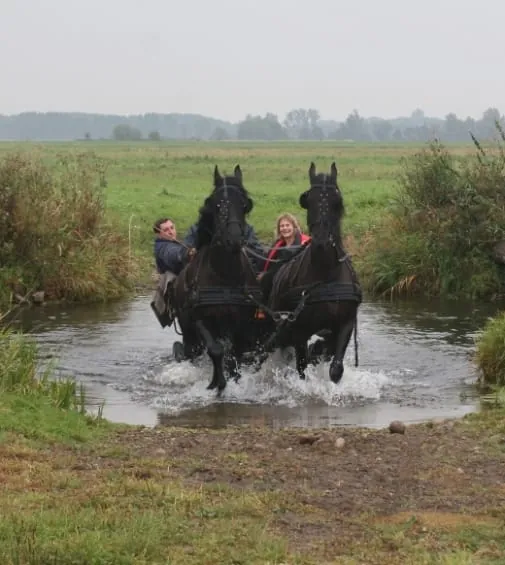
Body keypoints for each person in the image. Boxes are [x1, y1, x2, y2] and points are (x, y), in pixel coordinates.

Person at [151, 217, 195, 329]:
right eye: (166, 230)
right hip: (183, 294)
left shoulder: (177, 243)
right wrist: (186, 254)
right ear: (158, 234)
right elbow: (172, 254)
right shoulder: (162, 247)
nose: (171, 232)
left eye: (172, 228)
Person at [258, 213, 311, 299]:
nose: (285, 228)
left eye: (287, 225)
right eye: (282, 226)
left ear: (294, 227)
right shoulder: (277, 245)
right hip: (274, 284)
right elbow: (267, 262)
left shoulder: (305, 243)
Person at [183, 220, 265, 273]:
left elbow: (258, 254)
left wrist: (244, 254)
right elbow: (183, 251)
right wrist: (189, 252)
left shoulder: (246, 229)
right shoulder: (198, 228)